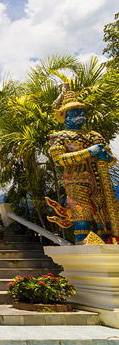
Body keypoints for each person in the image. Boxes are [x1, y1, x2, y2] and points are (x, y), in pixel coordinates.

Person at [45, 84, 119, 243]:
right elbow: (59, 159)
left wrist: (107, 157)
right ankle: (84, 252)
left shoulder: (94, 135)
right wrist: (89, 152)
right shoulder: (60, 137)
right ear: (64, 115)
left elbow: (112, 159)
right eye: (75, 112)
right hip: (76, 184)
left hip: (101, 184)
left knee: (106, 224)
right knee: (82, 223)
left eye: (83, 112)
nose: (80, 115)